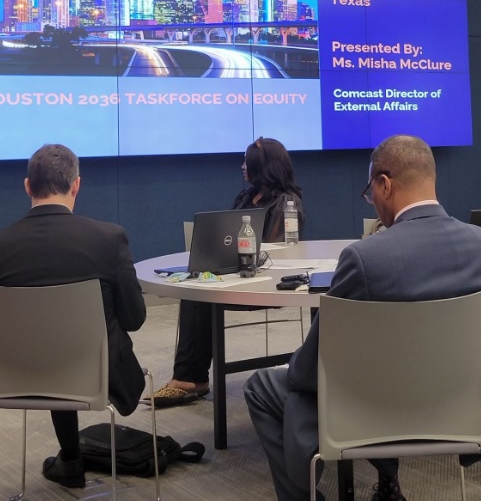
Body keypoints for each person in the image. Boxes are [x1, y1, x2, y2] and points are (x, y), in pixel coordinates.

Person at [244, 134, 481, 501]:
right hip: (459, 404)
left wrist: (296, 370)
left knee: (264, 385)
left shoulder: (364, 258)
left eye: (370, 192)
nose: (372, 200)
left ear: (385, 185)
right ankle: (388, 484)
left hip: (373, 409)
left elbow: (314, 367)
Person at [0, 143, 146, 489]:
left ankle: (70, 459)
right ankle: (71, 458)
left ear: (27, 186)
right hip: (92, 375)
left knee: (50, 344)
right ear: (76, 185)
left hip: (15, 375)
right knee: (80, 343)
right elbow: (134, 319)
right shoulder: (108, 239)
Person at [155, 137, 305, 405]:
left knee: (199, 293)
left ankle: (190, 378)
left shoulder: (287, 203)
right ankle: (191, 378)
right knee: (195, 286)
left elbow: (276, 253)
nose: (242, 167)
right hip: (237, 275)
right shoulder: (246, 196)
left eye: (247, 161)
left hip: (262, 285)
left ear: (263, 165)